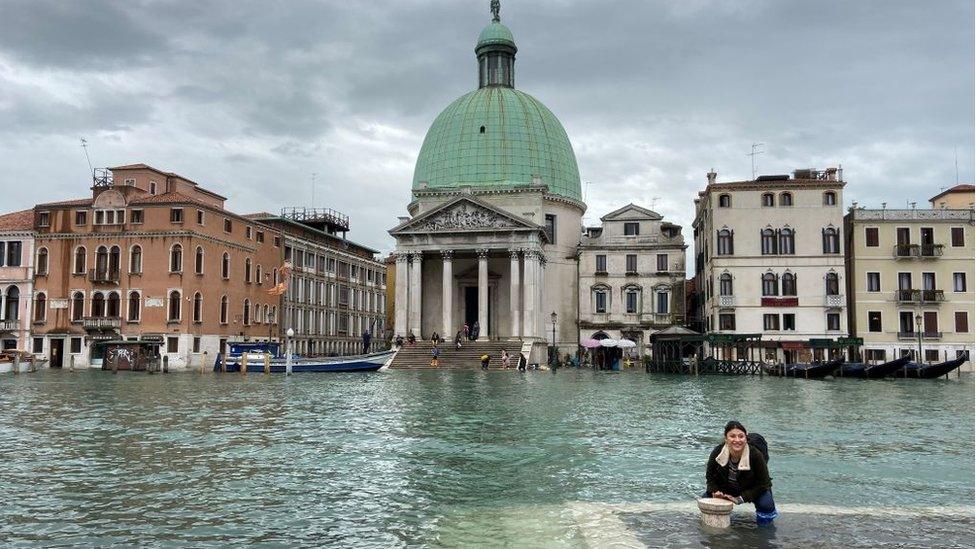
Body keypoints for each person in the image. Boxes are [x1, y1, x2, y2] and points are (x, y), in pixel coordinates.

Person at [705, 420, 778, 526]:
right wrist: (715, 491)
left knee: (766, 504)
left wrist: (740, 498)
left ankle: (764, 530)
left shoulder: (755, 455)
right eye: (732, 436)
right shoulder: (717, 452)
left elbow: (764, 484)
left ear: (746, 438)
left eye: (741, 436)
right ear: (726, 439)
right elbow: (709, 477)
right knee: (706, 498)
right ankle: (717, 526)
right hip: (726, 488)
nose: (737, 440)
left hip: (751, 488)